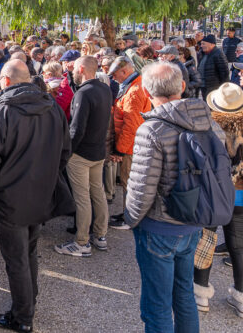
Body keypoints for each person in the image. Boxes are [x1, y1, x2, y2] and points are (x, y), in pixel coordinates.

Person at [124, 62, 223, 332]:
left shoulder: (152, 129)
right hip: (192, 222)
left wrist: (131, 219)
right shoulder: (208, 122)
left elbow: (142, 186)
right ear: (182, 86)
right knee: (184, 294)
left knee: (157, 305)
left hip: (160, 225)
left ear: (146, 92)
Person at [0, 59, 71, 332]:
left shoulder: (4, 110)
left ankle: (22, 317)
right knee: (28, 252)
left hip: (10, 198)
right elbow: (65, 151)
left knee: (17, 259)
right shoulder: (51, 106)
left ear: (6, 80)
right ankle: (28, 303)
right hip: (40, 192)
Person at [54, 56, 113, 257]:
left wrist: (67, 152)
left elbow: (76, 129)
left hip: (81, 154)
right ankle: (100, 235)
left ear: (81, 69)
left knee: (82, 198)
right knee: (98, 193)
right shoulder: (104, 88)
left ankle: (82, 242)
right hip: (98, 151)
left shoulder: (84, 93)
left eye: (74, 70)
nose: (72, 73)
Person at [193, 82, 243, 317]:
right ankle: (241, 296)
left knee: (205, 241)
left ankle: (200, 293)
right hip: (240, 195)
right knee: (239, 246)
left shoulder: (209, 127)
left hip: (213, 194)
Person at [107, 56, 152, 230]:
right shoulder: (134, 85)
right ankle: (128, 213)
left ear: (124, 71)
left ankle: (129, 218)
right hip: (132, 144)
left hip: (131, 147)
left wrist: (120, 150)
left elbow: (131, 125)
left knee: (129, 182)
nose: (113, 78)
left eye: (115, 74)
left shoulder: (134, 91)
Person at [199, 34, 229, 99]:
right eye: (201, 44)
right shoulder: (203, 53)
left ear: (211, 44)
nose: (201, 46)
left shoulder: (218, 54)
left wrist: (224, 88)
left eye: (203, 44)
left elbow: (224, 73)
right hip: (204, 86)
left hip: (213, 88)